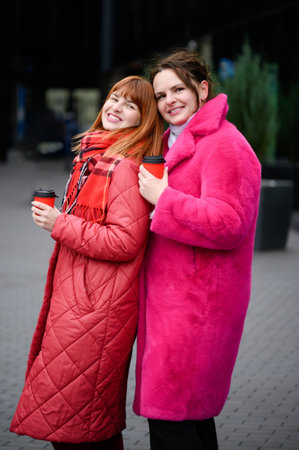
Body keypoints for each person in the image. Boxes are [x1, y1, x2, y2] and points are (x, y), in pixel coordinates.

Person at [10, 75, 163, 450]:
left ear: (142, 119)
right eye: (114, 98)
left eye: (131, 106)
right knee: (83, 422)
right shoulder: (95, 158)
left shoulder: (123, 166)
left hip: (96, 308)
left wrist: (59, 223)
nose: (116, 108)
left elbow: (126, 241)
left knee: (79, 425)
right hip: (83, 301)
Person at [134, 49, 261, 450]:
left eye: (178, 90)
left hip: (197, 311)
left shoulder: (225, 144)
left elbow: (230, 224)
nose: (169, 100)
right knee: (189, 419)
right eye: (160, 94)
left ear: (201, 89)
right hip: (172, 309)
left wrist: (164, 198)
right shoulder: (175, 141)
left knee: (173, 421)